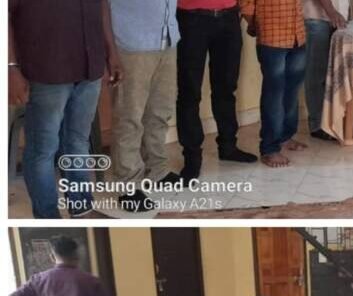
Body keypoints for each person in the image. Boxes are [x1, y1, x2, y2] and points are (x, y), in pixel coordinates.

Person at [9, 0, 122, 218]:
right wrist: (10, 68)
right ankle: (48, 218)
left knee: (78, 142)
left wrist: (111, 52)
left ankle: (82, 210)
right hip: (47, 69)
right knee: (43, 150)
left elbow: (102, 5)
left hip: (90, 65)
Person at [108, 0, 182, 212]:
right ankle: (128, 185)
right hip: (131, 43)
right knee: (129, 116)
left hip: (167, 40)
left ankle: (157, 170)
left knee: (160, 112)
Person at [175, 0, 257, 181]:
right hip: (191, 18)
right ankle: (192, 157)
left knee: (227, 87)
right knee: (189, 92)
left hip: (228, 17)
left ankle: (228, 146)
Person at [241, 0, 307, 167]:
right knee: (274, 94)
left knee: (292, 91)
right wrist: (256, 24)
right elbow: (246, 5)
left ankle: (285, 137)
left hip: (298, 35)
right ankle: (269, 149)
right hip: (272, 37)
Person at [303, 0, 353, 141]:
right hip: (317, 18)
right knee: (317, 74)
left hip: (340, 18)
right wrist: (331, 11)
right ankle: (318, 126)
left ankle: (334, 122)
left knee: (338, 73)